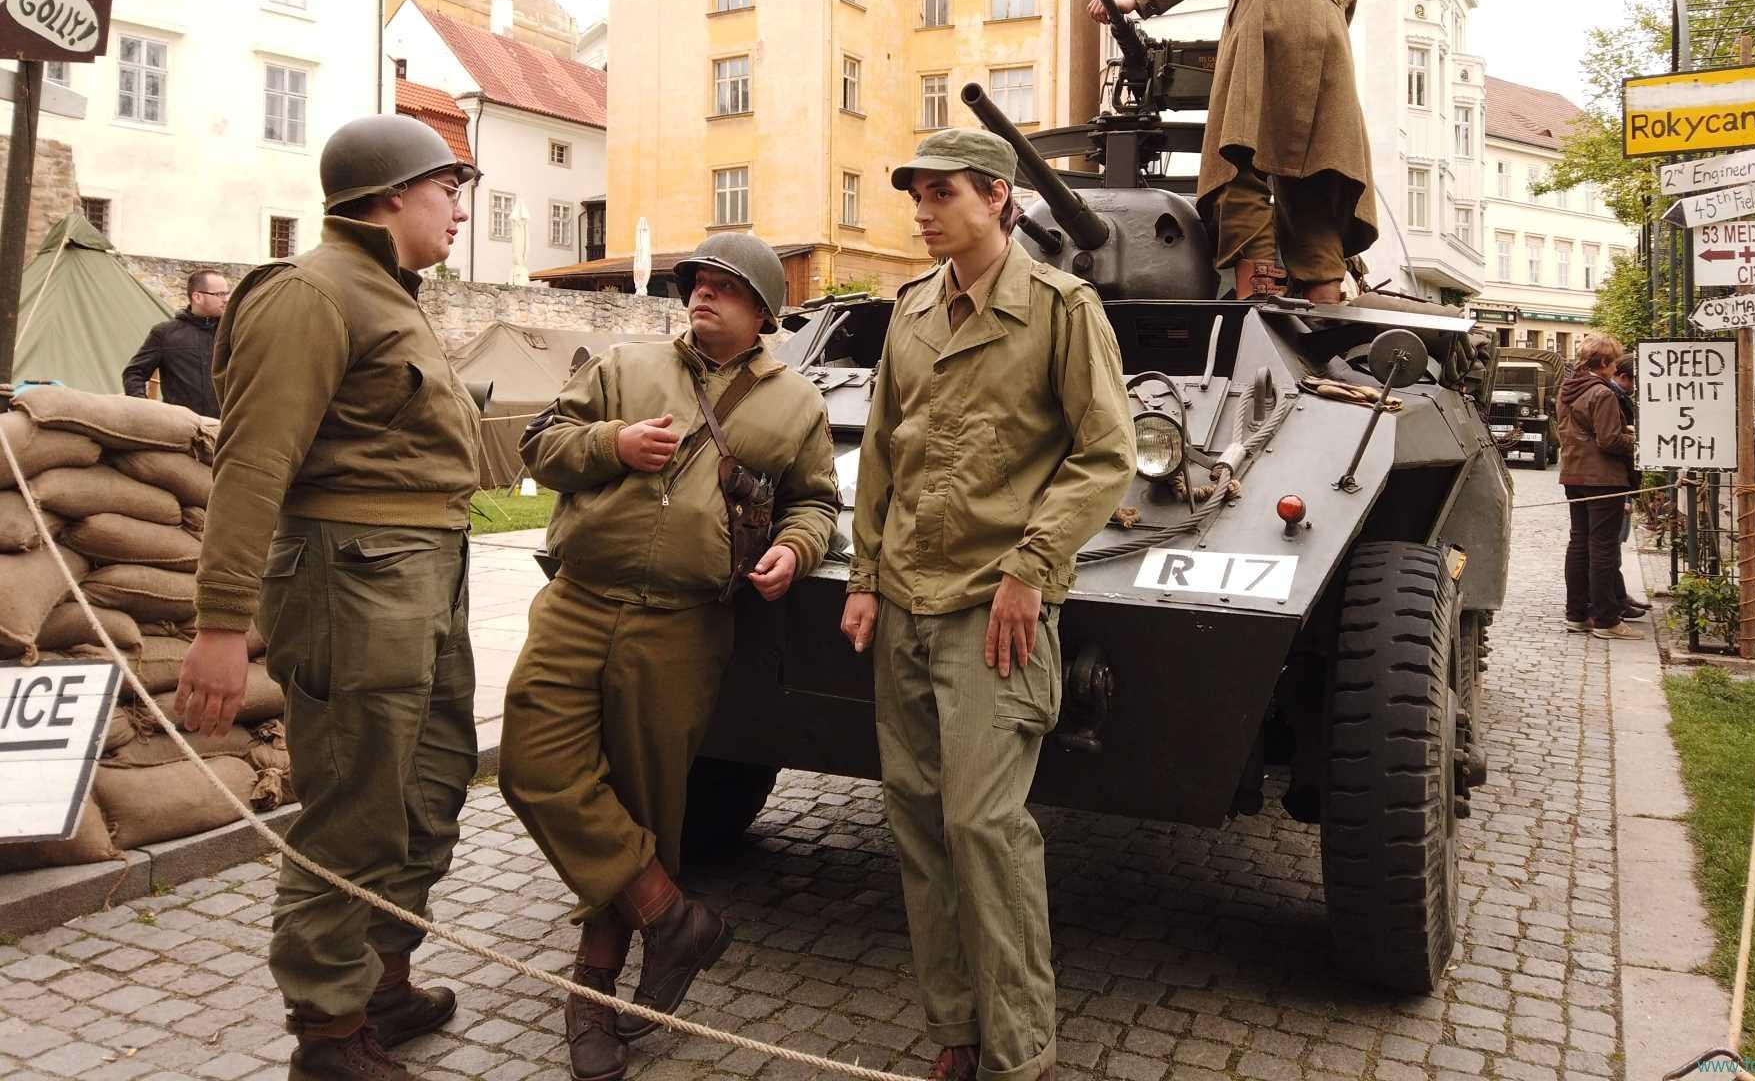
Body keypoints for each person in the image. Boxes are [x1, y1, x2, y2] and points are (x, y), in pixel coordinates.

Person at [174, 115, 484, 1081]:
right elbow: (253, 463)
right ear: (393, 195)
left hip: (423, 568)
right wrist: (221, 625)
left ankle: (379, 983)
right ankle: (326, 1031)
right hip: (352, 579)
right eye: (448, 190)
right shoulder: (311, 292)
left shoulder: (390, 293)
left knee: (429, 787)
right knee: (353, 800)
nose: (460, 210)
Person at [500, 232, 838, 1081]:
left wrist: (795, 550)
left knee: (646, 801)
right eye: (697, 283)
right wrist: (610, 444)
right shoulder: (625, 364)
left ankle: (596, 993)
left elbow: (816, 503)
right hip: (581, 595)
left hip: (684, 624)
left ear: (763, 310)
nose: (703, 296)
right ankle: (668, 912)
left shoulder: (795, 402)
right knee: (530, 765)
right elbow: (539, 446)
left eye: (725, 287)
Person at [842, 130, 1134, 1081]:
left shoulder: (1059, 308)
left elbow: (1104, 454)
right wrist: (862, 578)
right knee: (919, 826)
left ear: (999, 198)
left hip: (990, 608)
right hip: (905, 606)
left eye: (941, 194)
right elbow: (883, 451)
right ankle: (956, 1032)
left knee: (983, 826)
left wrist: (1030, 568)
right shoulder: (912, 308)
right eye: (916, 195)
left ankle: (1021, 1054)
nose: (922, 211)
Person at [1088, 0, 1377, 303]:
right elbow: (1344, 16)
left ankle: (1258, 302)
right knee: (1310, 184)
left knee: (1238, 167)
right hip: (1333, 60)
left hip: (1268, 36)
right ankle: (1324, 300)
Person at [1558, 334, 1637, 638]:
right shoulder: (1601, 393)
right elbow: (1609, 440)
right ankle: (1606, 620)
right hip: (1602, 478)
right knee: (1603, 548)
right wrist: (1636, 439)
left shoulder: (1568, 388)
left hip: (1574, 474)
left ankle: (1576, 615)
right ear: (1604, 362)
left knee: (1579, 543)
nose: (1615, 366)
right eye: (1614, 361)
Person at [122, 269, 230, 417]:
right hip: (181, 429)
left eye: (227, 293)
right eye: (219, 294)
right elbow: (134, 374)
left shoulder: (232, 333)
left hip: (226, 430)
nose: (226, 299)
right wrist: (146, 411)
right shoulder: (165, 334)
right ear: (197, 297)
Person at [1608, 357, 1648, 620]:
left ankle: (1619, 595)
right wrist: (1632, 435)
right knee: (1609, 544)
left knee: (1614, 542)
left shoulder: (1617, 396)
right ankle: (1614, 600)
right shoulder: (1611, 396)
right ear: (1623, 376)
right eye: (1635, 380)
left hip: (1620, 478)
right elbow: (1611, 438)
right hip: (1615, 478)